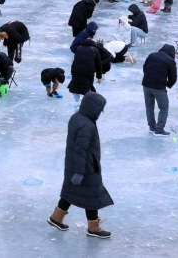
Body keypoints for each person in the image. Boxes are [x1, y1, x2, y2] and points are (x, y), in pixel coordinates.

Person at [47, 92, 113, 239]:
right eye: (100, 109)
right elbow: (80, 149)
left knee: (73, 190)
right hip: (85, 166)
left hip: (76, 163)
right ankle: (93, 228)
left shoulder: (77, 117)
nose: (100, 113)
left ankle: (56, 218)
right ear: (93, 108)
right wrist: (80, 172)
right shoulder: (87, 125)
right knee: (92, 195)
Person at [141, 44, 177, 136]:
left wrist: (149, 77)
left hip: (146, 85)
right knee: (164, 107)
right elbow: (173, 77)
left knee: (149, 107)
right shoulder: (170, 61)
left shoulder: (152, 55)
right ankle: (159, 129)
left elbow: (145, 68)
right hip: (159, 87)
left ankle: (152, 127)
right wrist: (167, 85)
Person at [68, 38, 102, 105]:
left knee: (76, 83)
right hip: (88, 71)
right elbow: (98, 64)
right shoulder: (94, 50)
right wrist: (99, 77)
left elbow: (75, 60)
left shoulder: (79, 48)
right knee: (87, 85)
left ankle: (76, 101)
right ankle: (86, 103)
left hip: (76, 69)